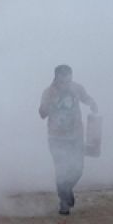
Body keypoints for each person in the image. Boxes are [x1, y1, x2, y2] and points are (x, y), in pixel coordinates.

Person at [39, 65, 99, 215]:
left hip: (76, 136)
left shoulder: (77, 88)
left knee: (78, 169)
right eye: (63, 79)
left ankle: (67, 190)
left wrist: (92, 103)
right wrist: (50, 104)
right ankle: (64, 202)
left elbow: (86, 98)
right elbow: (42, 113)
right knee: (61, 170)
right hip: (56, 138)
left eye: (69, 78)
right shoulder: (49, 92)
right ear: (56, 77)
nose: (66, 82)